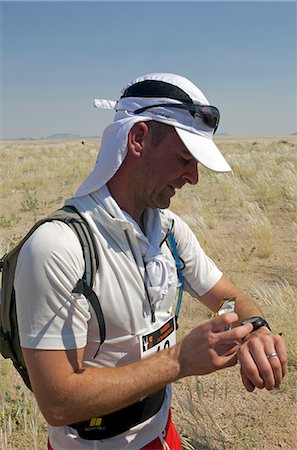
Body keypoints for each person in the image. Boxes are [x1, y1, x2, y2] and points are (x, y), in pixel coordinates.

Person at [14, 73, 287, 450]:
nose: (192, 177)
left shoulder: (169, 231)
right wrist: (178, 362)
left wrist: (253, 326)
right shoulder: (58, 247)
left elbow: (224, 295)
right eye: (183, 158)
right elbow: (58, 402)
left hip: (163, 432)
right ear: (138, 138)